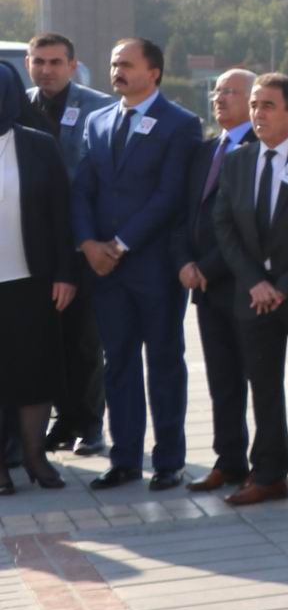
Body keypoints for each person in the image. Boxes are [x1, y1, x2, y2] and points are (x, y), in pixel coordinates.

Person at [72, 37, 200, 491]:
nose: (117, 71)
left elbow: (170, 197)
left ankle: (168, 460)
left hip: (155, 268)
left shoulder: (180, 124)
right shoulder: (97, 120)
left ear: (155, 72)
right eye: (113, 64)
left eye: (126, 64)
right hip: (105, 271)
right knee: (118, 363)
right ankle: (124, 457)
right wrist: (88, 244)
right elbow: (83, 186)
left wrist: (120, 244)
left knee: (164, 362)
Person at [210, 74, 288, 508]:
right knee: (263, 386)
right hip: (254, 296)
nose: (257, 114)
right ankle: (268, 474)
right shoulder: (238, 160)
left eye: (267, 105)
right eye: (254, 105)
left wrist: (282, 286)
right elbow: (224, 227)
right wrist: (255, 282)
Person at [22, 33, 109, 455]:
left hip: (82, 244)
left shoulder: (98, 107)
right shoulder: (17, 105)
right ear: (27, 64)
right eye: (39, 61)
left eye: (56, 62)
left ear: (73, 66)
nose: (47, 70)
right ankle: (61, 422)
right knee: (47, 340)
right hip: (31, 248)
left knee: (83, 340)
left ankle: (89, 423)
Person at [175, 69, 256, 494]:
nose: (220, 98)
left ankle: (266, 467)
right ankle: (229, 462)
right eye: (217, 90)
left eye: (231, 91)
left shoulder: (258, 150)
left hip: (243, 285)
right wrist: (185, 261)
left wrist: (206, 265)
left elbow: (247, 225)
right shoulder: (205, 151)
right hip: (205, 289)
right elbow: (184, 213)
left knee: (257, 381)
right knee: (223, 382)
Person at [0, 63, 79, 493]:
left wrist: (67, 273)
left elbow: (61, 216)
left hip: (33, 279)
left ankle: (35, 456)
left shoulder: (37, 146)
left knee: (34, 370)